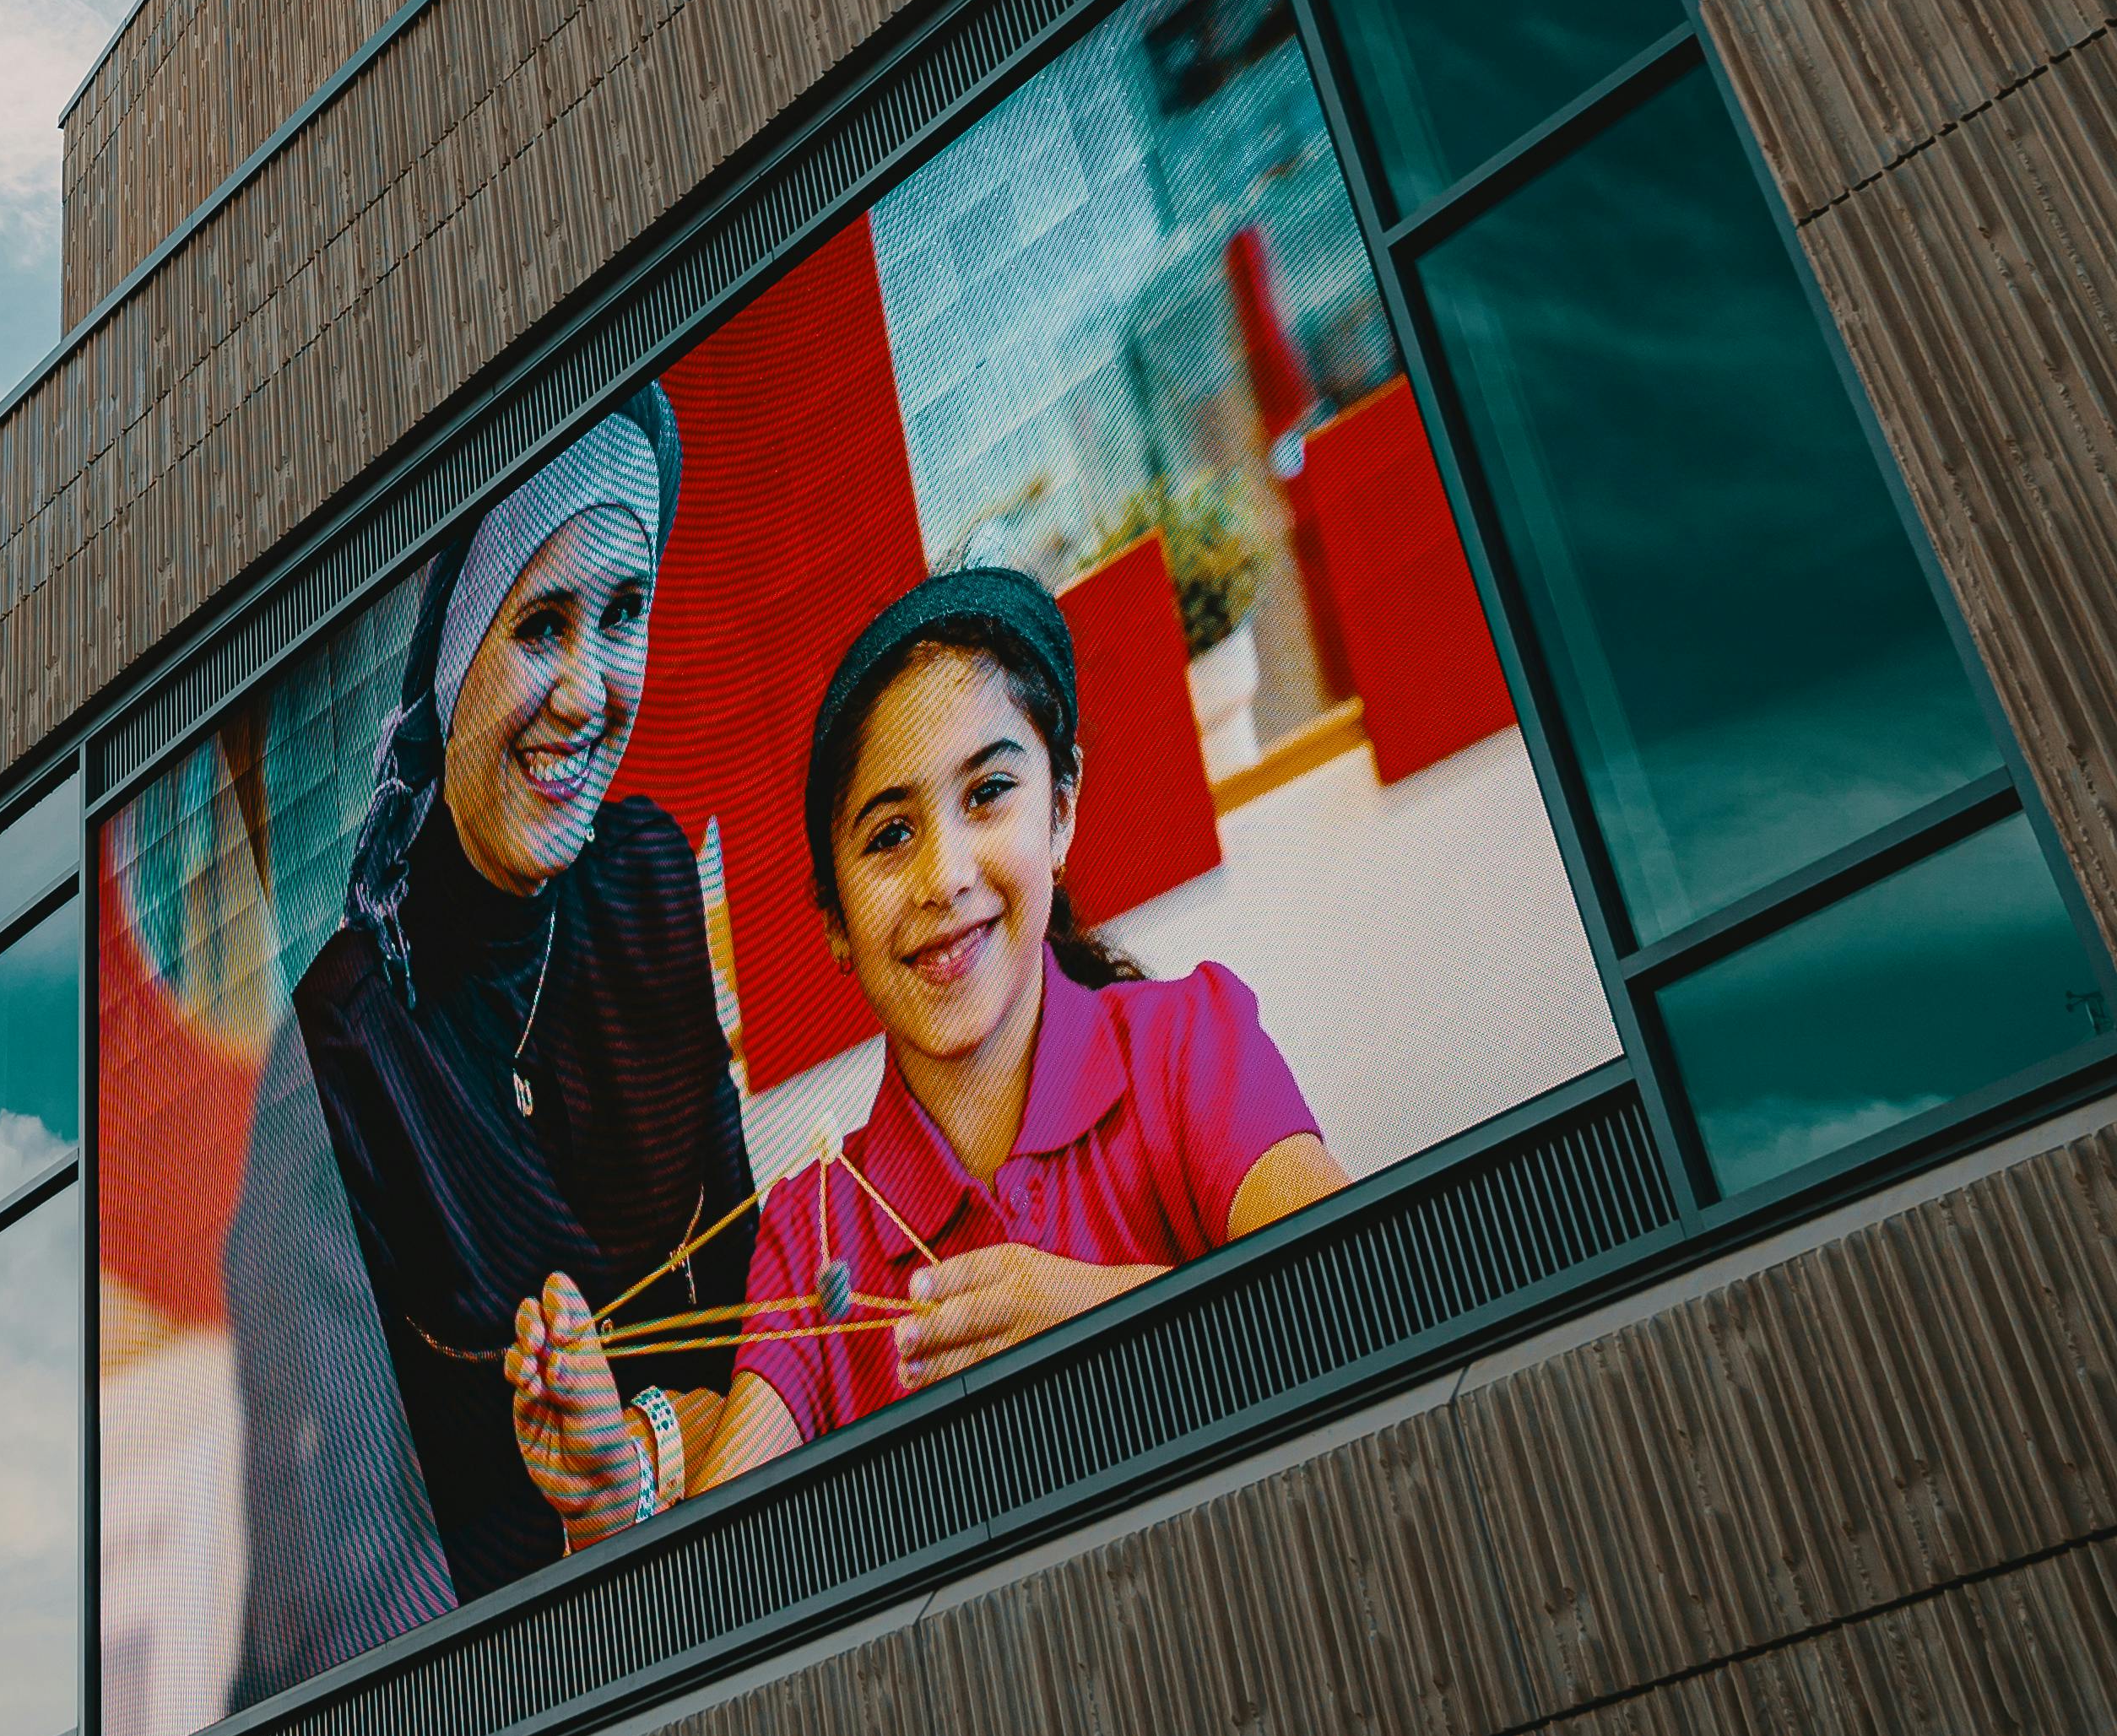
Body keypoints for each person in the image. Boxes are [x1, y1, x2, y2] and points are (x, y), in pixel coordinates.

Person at [504, 565, 1343, 1539]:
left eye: (988, 792)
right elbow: (720, 1559)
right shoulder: (812, 1230)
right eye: (890, 834)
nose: (943, 876)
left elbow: (1355, 1290)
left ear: (1061, 810)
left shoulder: (1190, 1047)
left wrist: (1105, 1318)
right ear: (836, 925)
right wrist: (619, 1495)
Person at [277, 385, 753, 1608]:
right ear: (443, 657)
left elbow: (748, 1313)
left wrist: (640, 1471)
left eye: (625, 611)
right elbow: (366, 1572)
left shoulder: (646, 878)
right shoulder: (345, 1045)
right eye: (542, 624)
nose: (592, 694)